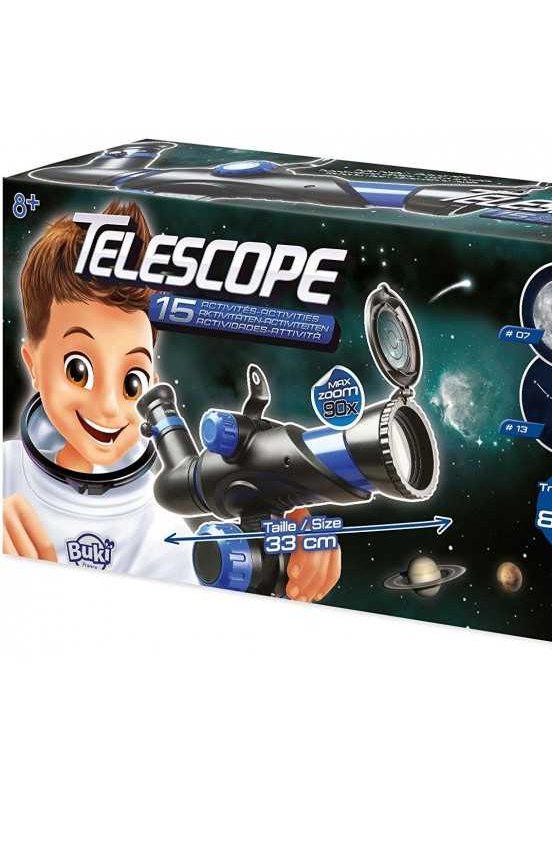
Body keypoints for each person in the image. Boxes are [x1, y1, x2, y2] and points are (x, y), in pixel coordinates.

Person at [2, 201, 340, 601]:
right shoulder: (7, 470)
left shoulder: (165, 531)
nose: (109, 407)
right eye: (78, 371)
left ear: (151, 384)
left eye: (131, 383)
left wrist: (284, 560)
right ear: (33, 364)